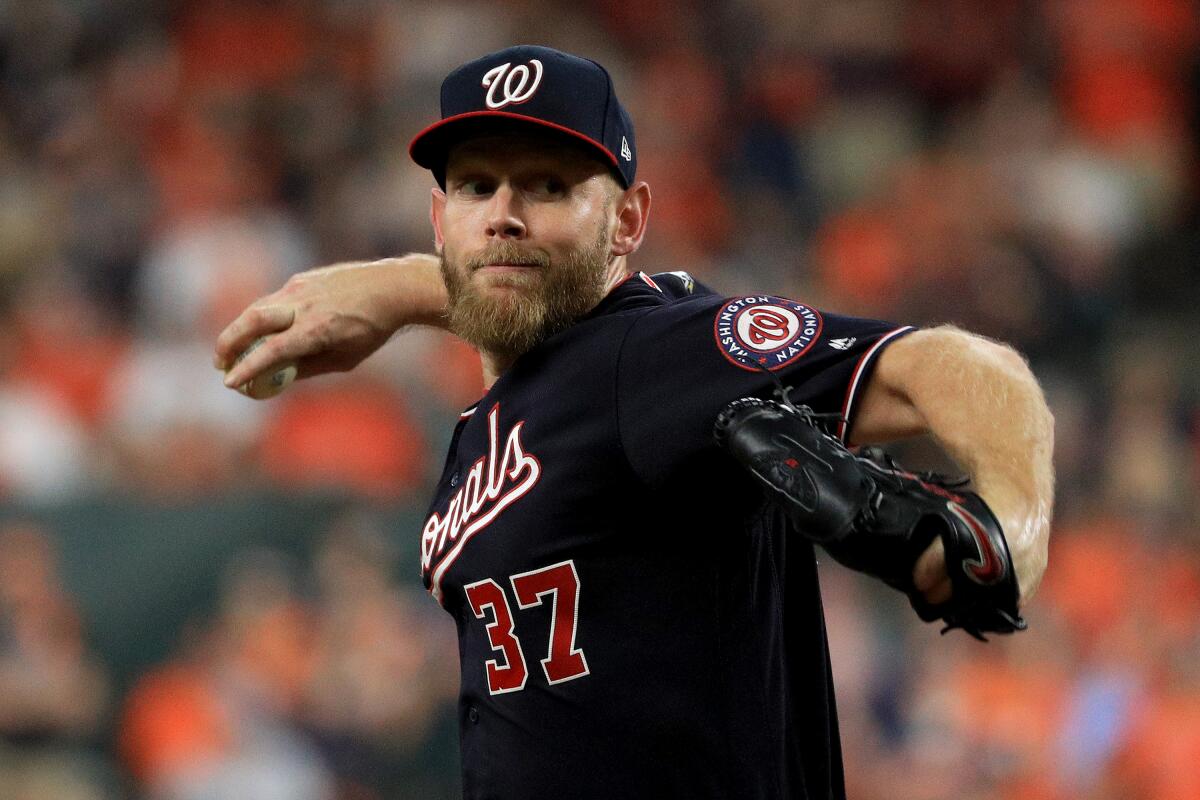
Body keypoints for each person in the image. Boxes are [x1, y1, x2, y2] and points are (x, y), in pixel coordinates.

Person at [214, 45, 1054, 800]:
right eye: (476, 185)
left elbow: (960, 368)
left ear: (627, 221)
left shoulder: (655, 352)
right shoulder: (498, 411)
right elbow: (506, 290)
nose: (505, 212)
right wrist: (395, 291)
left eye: (549, 185)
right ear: (441, 221)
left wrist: (1012, 529)